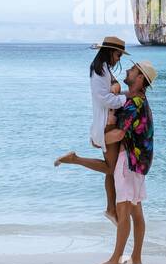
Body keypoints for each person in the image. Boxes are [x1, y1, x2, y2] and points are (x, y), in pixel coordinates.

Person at [58, 61, 157, 264]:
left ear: (140, 79)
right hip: (140, 162)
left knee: (124, 209)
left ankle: (115, 260)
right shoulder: (140, 100)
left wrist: (99, 140)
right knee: (136, 210)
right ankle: (136, 258)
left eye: (133, 70)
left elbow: (119, 134)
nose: (128, 71)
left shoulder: (134, 104)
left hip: (129, 160)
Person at [55, 36, 128, 223]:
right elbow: (104, 98)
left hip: (108, 122)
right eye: (118, 54)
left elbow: (112, 89)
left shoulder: (103, 70)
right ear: (110, 52)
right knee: (110, 168)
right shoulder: (99, 72)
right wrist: (124, 99)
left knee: (110, 170)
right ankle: (75, 159)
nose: (119, 58)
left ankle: (111, 209)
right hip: (107, 124)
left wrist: (119, 90)